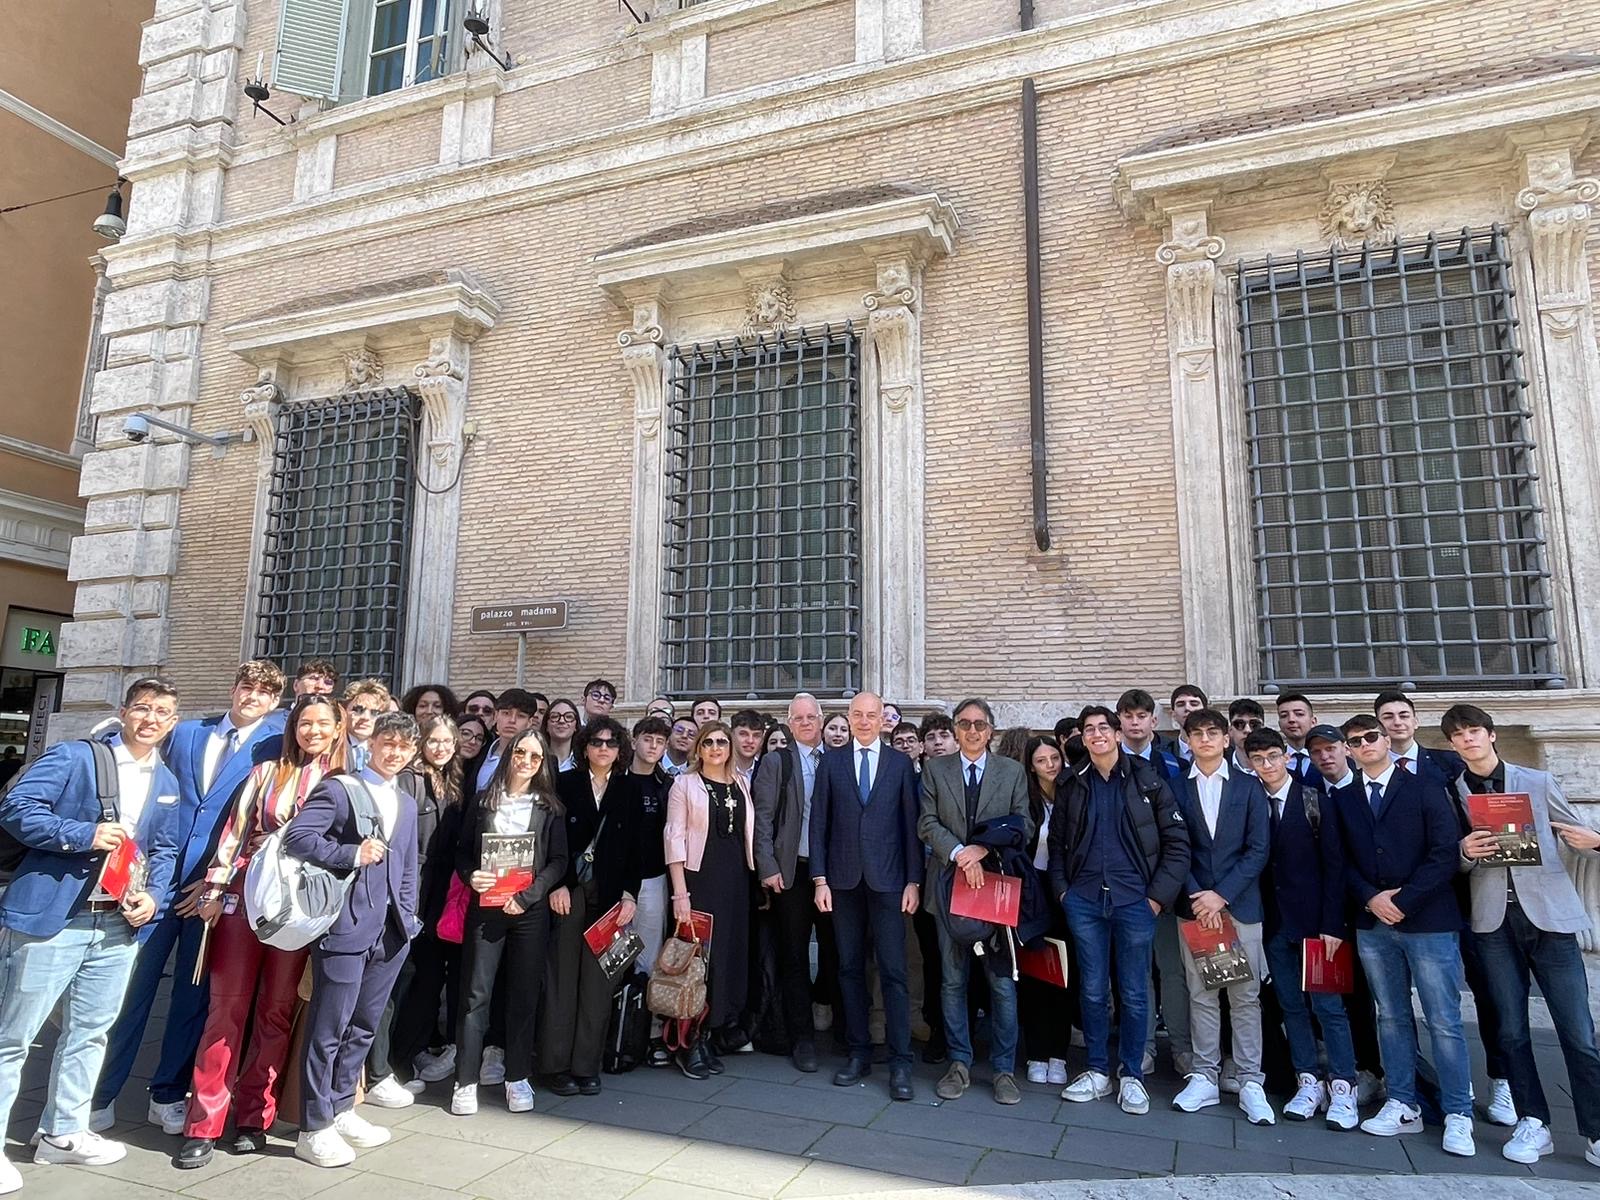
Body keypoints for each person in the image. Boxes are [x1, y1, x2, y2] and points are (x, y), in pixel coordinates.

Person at [0, 677, 181, 1190]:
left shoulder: (167, 782)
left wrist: (155, 898)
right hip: (53, 920)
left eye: (162, 712)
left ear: (172, 723)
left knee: (90, 1033)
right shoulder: (76, 758)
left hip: (117, 924)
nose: (150, 718)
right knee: (13, 1037)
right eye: (142, 708)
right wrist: (83, 834)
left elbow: (163, 852)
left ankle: (63, 1133)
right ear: (124, 711)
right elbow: (15, 810)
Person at [93, 660, 286, 1136]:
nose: (252, 697)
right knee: (127, 991)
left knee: (191, 997)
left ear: (275, 702)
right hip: (153, 884)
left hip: (211, 891)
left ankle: (166, 1092)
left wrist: (214, 880)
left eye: (264, 693)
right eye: (246, 687)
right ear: (233, 687)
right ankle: (101, 1095)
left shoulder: (274, 747)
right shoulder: (186, 732)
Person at [174, 694, 347, 1168]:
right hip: (244, 898)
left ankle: (254, 1116)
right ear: (294, 728)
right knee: (225, 1010)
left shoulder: (345, 784)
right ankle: (203, 1123)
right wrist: (213, 887)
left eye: (322, 723)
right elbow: (234, 832)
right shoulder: (265, 774)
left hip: (301, 909)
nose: (313, 731)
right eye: (304, 722)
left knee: (276, 1010)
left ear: (337, 729)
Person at [1444, 703, 1600, 1166]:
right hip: (1492, 921)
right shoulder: (1451, 792)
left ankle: (1595, 1130)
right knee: (1510, 1029)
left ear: (1490, 735)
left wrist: (1595, 839)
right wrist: (1464, 851)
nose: (1468, 740)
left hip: (1549, 918)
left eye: (1474, 731)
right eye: (1458, 735)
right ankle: (1535, 1121)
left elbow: (1579, 833)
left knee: (1578, 1032)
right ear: (1451, 744)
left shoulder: (1536, 781)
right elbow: (1448, 860)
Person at [284, 712, 422, 1168]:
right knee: (328, 1027)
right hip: (345, 927)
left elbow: (407, 867)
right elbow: (298, 838)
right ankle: (314, 1125)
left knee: (364, 1025)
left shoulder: (404, 799)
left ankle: (343, 1107)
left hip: (392, 932)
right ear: (372, 743)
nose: (395, 752)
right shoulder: (341, 788)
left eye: (404, 746)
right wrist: (349, 854)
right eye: (388, 742)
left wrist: (410, 917)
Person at [1333, 713, 1474, 1155]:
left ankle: (1457, 1112)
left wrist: (1404, 900)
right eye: (1355, 741)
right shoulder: (1344, 798)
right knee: (1390, 1016)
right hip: (1374, 925)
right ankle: (1402, 1102)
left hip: (1428, 921)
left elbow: (1444, 853)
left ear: (1386, 739)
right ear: (1349, 751)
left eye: (1370, 736)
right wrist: (1372, 898)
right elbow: (1342, 862)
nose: (1365, 744)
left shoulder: (1425, 786)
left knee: (1443, 1020)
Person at [1375, 690, 1509, 1127]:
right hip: (1398, 909)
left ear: (1415, 721)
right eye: (1386, 718)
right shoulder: (1369, 774)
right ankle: (1419, 1088)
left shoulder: (1447, 766)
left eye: (1402, 715)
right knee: (1397, 1009)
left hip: (1462, 900)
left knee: (1480, 997)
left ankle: (1500, 1079)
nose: (1395, 723)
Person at [1050, 705, 1188, 1117]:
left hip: (1135, 902)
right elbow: (1057, 845)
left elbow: (1177, 844)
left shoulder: (1149, 780)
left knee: (1133, 990)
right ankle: (1096, 1070)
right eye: (1089, 729)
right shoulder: (1072, 783)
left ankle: (1131, 1075)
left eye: (1103, 728)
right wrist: (1063, 893)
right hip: (1085, 901)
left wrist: (1156, 898)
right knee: (1092, 990)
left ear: (1116, 734)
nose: (1096, 735)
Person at [1243, 727, 1359, 1129]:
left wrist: (1332, 923)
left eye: (1274, 757)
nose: (1267, 765)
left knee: (1328, 1008)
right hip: (1274, 925)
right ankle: (1307, 1080)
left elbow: (1335, 867)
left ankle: (1343, 1085)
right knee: (1290, 1005)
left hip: (1316, 924)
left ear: (1288, 758)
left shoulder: (1315, 801)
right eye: (1258, 760)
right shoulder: (1251, 801)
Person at [920, 697, 1031, 1106]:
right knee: (952, 981)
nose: (971, 731)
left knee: (1001, 983)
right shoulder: (935, 770)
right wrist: (958, 853)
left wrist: (981, 849)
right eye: (964, 724)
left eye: (979, 724)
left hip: (994, 890)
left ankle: (1003, 1069)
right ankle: (959, 1062)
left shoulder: (1012, 771)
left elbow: (1024, 823)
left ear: (991, 731)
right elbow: (926, 821)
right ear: (954, 729)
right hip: (947, 886)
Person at [810, 692, 921, 1101]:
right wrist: (820, 880)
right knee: (849, 969)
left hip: (890, 882)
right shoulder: (832, 761)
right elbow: (819, 822)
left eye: (871, 715)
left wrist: (913, 880)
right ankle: (858, 1052)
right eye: (856, 714)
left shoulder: (899, 762)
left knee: (894, 972)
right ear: (849, 719)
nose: (863, 721)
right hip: (841, 882)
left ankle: (900, 1062)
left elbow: (910, 825)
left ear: (882, 720)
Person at [451, 728, 566, 1117]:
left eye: (535, 757)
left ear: (543, 764)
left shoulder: (549, 807)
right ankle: (464, 1080)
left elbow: (558, 863)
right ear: (510, 755)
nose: (527, 762)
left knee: (522, 996)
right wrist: (471, 877)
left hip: (528, 913)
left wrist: (529, 896)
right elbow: (463, 853)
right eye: (521, 753)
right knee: (474, 996)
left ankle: (517, 1077)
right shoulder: (484, 801)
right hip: (486, 909)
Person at [1169, 708, 1274, 1125]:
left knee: (1245, 997)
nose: (1207, 739)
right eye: (1198, 734)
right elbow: (1173, 846)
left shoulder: (1249, 788)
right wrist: (1199, 894)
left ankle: (1250, 1080)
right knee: (1202, 995)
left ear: (1227, 739)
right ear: (1189, 741)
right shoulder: (1174, 787)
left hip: (1240, 906)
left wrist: (1222, 895)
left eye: (1214, 732)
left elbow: (1258, 849)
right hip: (1194, 908)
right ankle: (1205, 1076)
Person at [542, 717, 634, 1096]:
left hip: (612, 896)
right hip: (571, 890)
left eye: (611, 743)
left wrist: (630, 893)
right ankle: (556, 1065)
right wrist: (558, 885)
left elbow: (637, 848)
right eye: (596, 742)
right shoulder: (565, 784)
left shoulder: (629, 788)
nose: (603, 749)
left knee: (599, 982)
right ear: (584, 747)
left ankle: (586, 1065)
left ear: (619, 750)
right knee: (562, 978)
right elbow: (552, 838)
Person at [665, 722, 755, 1078]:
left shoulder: (741, 783)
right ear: (698, 749)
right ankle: (687, 1043)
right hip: (699, 881)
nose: (716, 747)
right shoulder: (684, 785)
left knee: (726, 961)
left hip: (735, 883)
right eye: (709, 742)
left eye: (722, 741)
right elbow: (673, 838)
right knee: (697, 964)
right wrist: (680, 892)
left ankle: (712, 1034)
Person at [387, 716, 470, 1093]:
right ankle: (387, 1065)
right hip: (412, 886)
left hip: (442, 892)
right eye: (433, 741)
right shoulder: (408, 779)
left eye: (447, 742)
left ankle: (409, 1053)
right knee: (400, 976)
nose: (440, 748)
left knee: (428, 978)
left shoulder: (453, 781)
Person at [752, 694, 833, 1073]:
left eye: (810, 716)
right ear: (789, 721)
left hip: (836, 874)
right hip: (793, 872)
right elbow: (763, 819)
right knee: (795, 956)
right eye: (797, 717)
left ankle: (834, 1018)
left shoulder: (838, 756)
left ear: (821, 719)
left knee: (837, 953)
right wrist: (767, 867)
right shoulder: (777, 761)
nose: (805, 722)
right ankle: (802, 1038)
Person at [1018, 735, 1072, 1088]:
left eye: (1055, 757)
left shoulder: (1074, 794)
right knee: (1035, 975)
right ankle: (1036, 1052)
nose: (1050, 765)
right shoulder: (1025, 801)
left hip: (1067, 893)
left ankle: (1059, 1054)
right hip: (1032, 893)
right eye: (1042, 760)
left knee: (1065, 976)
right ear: (1031, 766)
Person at [621, 715, 674, 1058]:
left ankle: (650, 1033)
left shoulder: (667, 785)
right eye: (648, 739)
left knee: (650, 956)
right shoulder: (615, 780)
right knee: (613, 955)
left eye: (660, 742)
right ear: (635, 740)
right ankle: (615, 1029)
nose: (653, 746)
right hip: (615, 884)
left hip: (653, 879)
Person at [466, 690, 538, 798]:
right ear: (495, 716)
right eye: (506, 713)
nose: (512, 720)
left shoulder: (536, 760)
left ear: (530, 722)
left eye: (520, 716)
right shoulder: (479, 752)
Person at [1117, 689, 1180, 782]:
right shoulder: (1108, 763)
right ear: (1119, 721)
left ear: (1153, 721)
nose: (1135, 722)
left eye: (1141, 716)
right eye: (1128, 716)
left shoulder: (1172, 764)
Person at [341, 679, 391, 773]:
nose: (365, 717)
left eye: (375, 713)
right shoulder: (332, 747)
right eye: (358, 710)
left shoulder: (388, 750)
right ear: (344, 712)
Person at [1274, 694, 1319, 783]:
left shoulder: (1327, 757)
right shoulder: (1274, 760)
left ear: (1313, 721)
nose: (1291, 719)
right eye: (1284, 715)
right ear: (1279, 724)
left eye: (1299, 714)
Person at [1163, 684, 1209, 762]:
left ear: (1206, 711)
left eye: (1194, 704)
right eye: (1180, 704)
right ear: (1173, 714)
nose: (1187, 708)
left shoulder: (1224, 750)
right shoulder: (1163, 755)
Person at [1226, 699, 1265, 774]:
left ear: (1263, 729)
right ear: (1230, 730)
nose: (1247, 730)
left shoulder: (1279, 768)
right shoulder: (1218, 767)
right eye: (1239, 724)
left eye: (1254, 725)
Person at [543, 699, 580, 773]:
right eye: (554, 716)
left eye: (569, 717)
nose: (561, 721)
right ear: (546, 726)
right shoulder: (537, 760)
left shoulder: (583, 763)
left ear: (576, 726)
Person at [729, 709, 765, 783]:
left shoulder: (765, 770)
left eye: (756, 735)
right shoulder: (720, 770)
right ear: (732, 735)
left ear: (762, 740)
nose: (750, 741)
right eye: (743, 734)